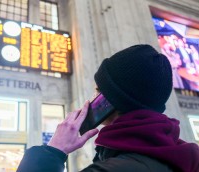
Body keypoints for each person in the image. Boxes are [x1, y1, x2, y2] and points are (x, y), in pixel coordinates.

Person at [17, 45, 199, 172]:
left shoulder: (117, 168)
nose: (93, 98)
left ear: (112, 100)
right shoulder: (178, 154)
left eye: (98, 91)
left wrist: (53, 150)